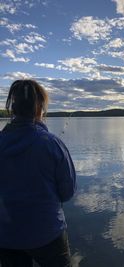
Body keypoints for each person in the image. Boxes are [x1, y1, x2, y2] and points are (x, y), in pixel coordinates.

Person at [0, 79, 76, 267]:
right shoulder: (52, 143)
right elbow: (67, 193)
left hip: (6, 236)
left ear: (13, 108)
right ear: (39, 107)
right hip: (48, 233)